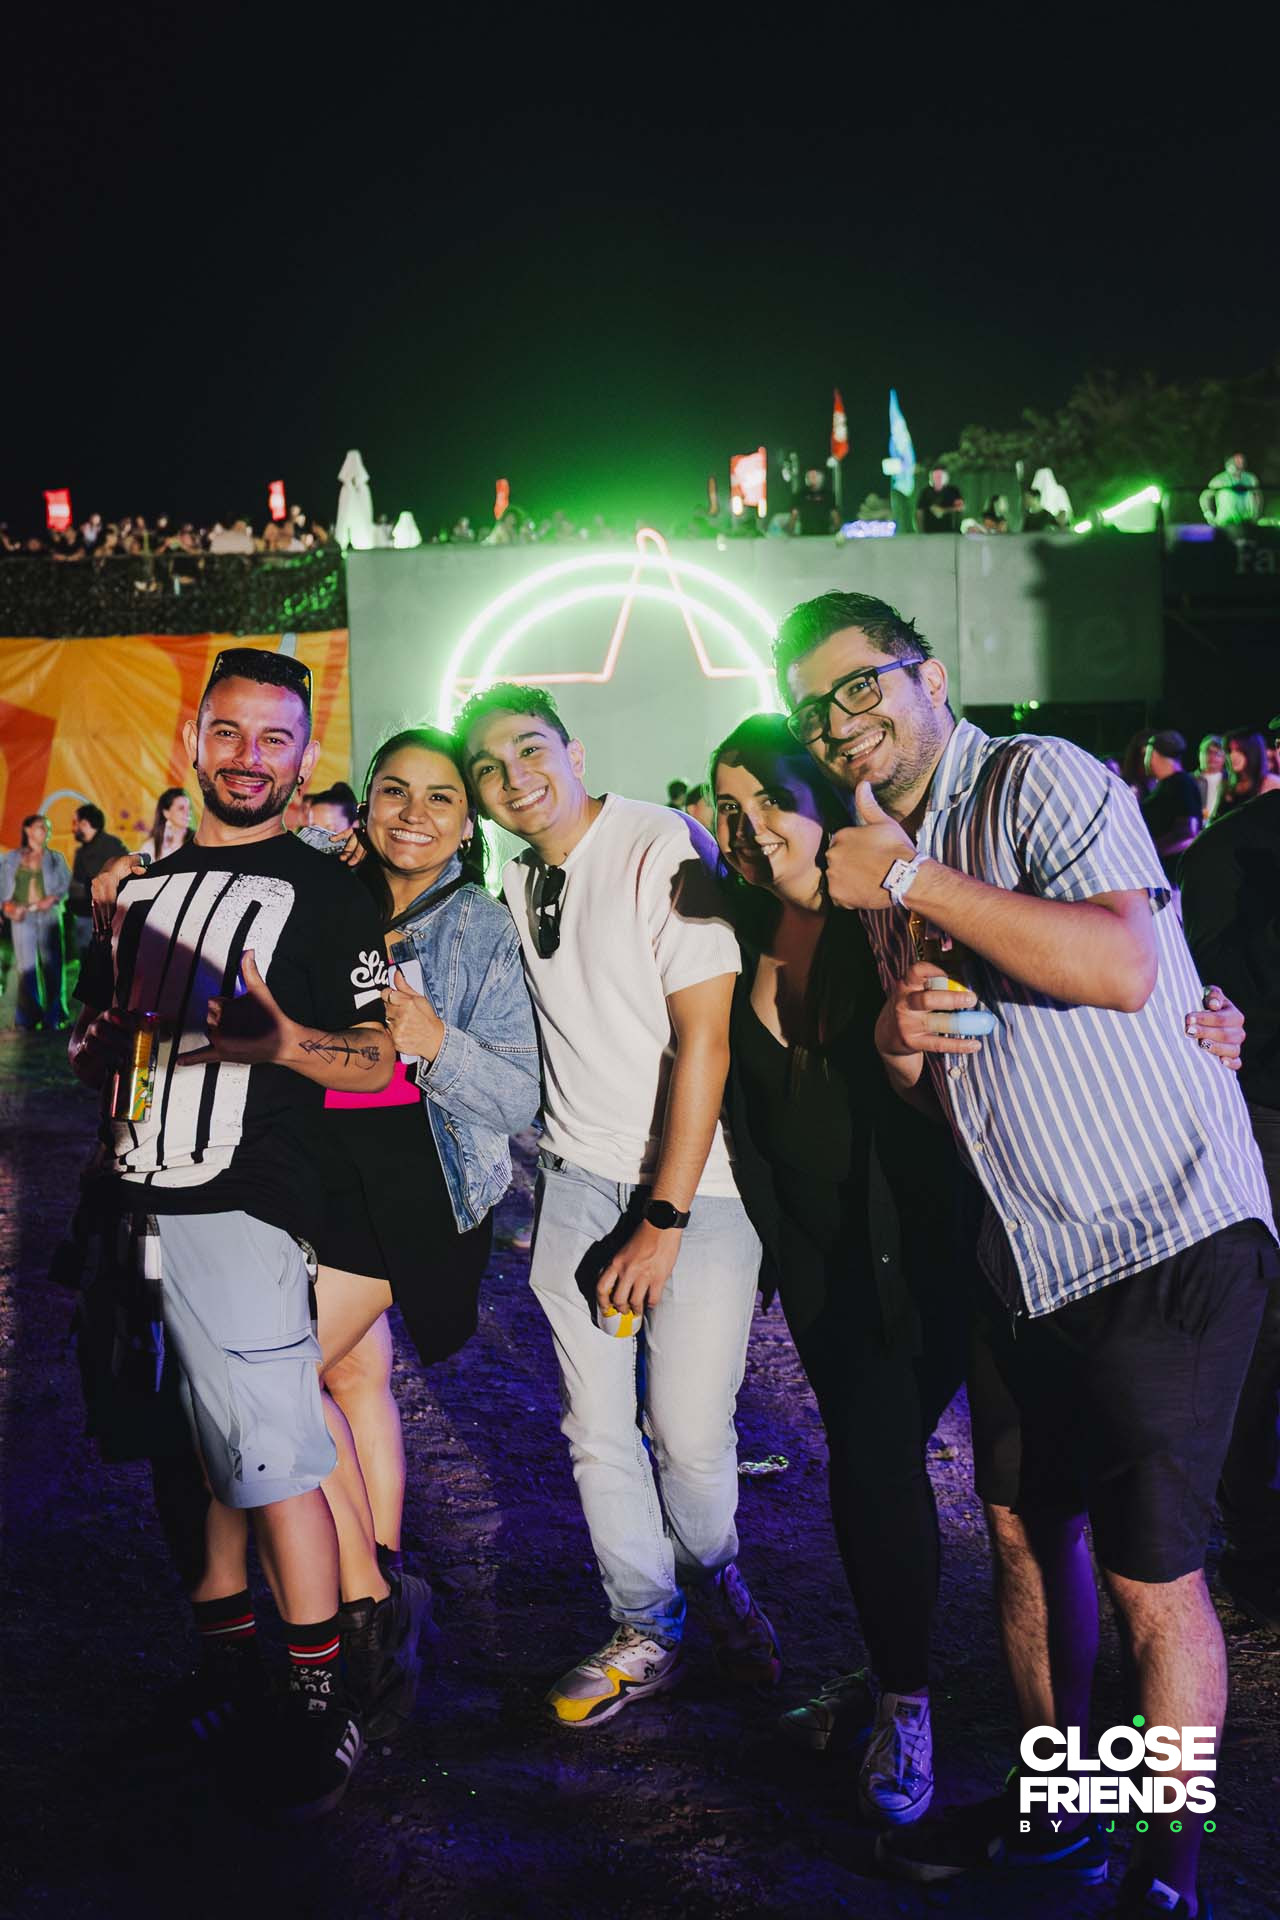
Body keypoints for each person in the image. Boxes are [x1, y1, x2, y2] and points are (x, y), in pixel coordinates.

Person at [774, 589, 1277, 1914]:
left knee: (1149, 1578)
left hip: (1161, 1226)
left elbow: (1121, 965)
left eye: (859, 685)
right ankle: (1064, 1816)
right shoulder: (887, 858)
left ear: (930, 677)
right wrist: (896, 1040)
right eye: (811, 709)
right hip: (1028, 1253)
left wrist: (906, 882)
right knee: (1023, 1535)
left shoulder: (1032, 778)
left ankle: (1165, 1870)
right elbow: (934, 1077)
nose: (837, 721)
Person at [68, 646, 399, 1821]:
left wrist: (285, 1045)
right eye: (228, 732)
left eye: (274, 739)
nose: (248, 757)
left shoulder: (333, 894)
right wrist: (95, 1051)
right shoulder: (142, 893)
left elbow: (379, 1057)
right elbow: (107, 1041)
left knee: (272, 1458)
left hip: (246, 1209)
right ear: (193, 741)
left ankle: (320, 1701)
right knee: (183, 1454)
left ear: (303, 758)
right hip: (133, 1212)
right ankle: (224, 1671)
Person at [457, 682, 778, 1728]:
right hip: (572, 1177)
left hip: (698, 1187)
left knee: (687, 1433)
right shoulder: (515, 878)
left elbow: (706, 1040)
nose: (514, 777)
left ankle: (716, 1580)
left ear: (576, 751)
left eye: (530, 749)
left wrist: (663, 1217)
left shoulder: (658, 843)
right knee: (595, 1428)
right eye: (489, 768)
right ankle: (646, 1626)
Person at [709, 712, 974, 1825]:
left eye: (772, 798)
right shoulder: (732, 926)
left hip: (933, 1247)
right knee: (870, 1463)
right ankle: (890, 1679)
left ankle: (906, 1707)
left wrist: (1209, 1018)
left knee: (884, 1461)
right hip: (818, 1260)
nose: (752, 826)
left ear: (822, 799)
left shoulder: (905, 916)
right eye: (730, 809)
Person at [302, 727, 540, 1718]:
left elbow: (518, 1098)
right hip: (317, 1173)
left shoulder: (480, 928)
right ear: (364, 803)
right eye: (394, 790)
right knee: (353, 1374)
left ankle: (366, 1601)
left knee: (272, 1375)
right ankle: (389, 1563)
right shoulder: (331, 893)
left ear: (468, 823)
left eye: (440, 797)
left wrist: (436, 1041)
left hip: (414, 1190)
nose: (413, 813)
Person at [1181, 787, 1280, 1636]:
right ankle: (1257, 1545)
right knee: (1262, 1342)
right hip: (1268, 1118)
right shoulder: (1232, 852)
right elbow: (1213, 1005)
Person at [1, 814, 71, 1029]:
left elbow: (65, 885)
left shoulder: (55, 858)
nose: (46, 831)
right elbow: (2, 888)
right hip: (22, 916)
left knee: (53, 966)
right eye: (41, 827)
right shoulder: (12, 858)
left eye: (47, 827)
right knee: (26, 967)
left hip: (48, 915)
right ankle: (28, 1017)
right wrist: (6, 906)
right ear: (28, 830)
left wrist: (53, 898)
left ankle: (54, 1016)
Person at [1139, 730, 1202, 885]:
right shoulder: (1166, 785)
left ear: (1153, 754)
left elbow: (1189, 832)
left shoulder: (1181, 784)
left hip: (1172, 877)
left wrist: (1151, 850)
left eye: (1146, 754)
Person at [68, 804, 129, 963]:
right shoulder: (81, 852)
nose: (73, 828)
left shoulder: (111, 846)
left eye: (75, 822)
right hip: (85, 917)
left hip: (105, 922)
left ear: (85, 824)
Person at [1215, 730, 1280, 818]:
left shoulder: (1272, 785)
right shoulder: (1227, 785)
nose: (1233, 756)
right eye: (1229, 751)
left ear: (1253, 752)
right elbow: (1215, 820)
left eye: (1239, 750)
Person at [1198, 452, 1262, 530]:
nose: (1240, 462)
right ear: (1230, 461)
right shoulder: (1220, 479)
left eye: (1242, 459)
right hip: (1225, 523)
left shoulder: (1250, 479)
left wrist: (1256, 515)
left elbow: (1258, 497)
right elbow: (1204, 498)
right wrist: (1209, 516)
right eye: (1237, 460)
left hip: (1246, 523)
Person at [144, 787, 195, 862]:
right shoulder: (151, 847)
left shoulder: (198, 842)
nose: (187, 812)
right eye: (181, 808)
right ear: (166, 813)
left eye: (189, 808)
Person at [914, 467, 964, 535]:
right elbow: (919, 512)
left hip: (950, 532)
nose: (938, 479)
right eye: (935, 476)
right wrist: (920, 532)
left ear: (946, 477)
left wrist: (943, 510)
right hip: (929, 533)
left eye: (940, 476)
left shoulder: (953, 491)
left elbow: (960, 507)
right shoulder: (926, 492)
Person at [1195, 735, 1226, 822]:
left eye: (1217, 753)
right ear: (1199, 754)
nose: (1212, 757)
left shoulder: (1231, 781)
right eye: (1208, 752)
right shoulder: (1189, 781)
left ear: (1224, 757)